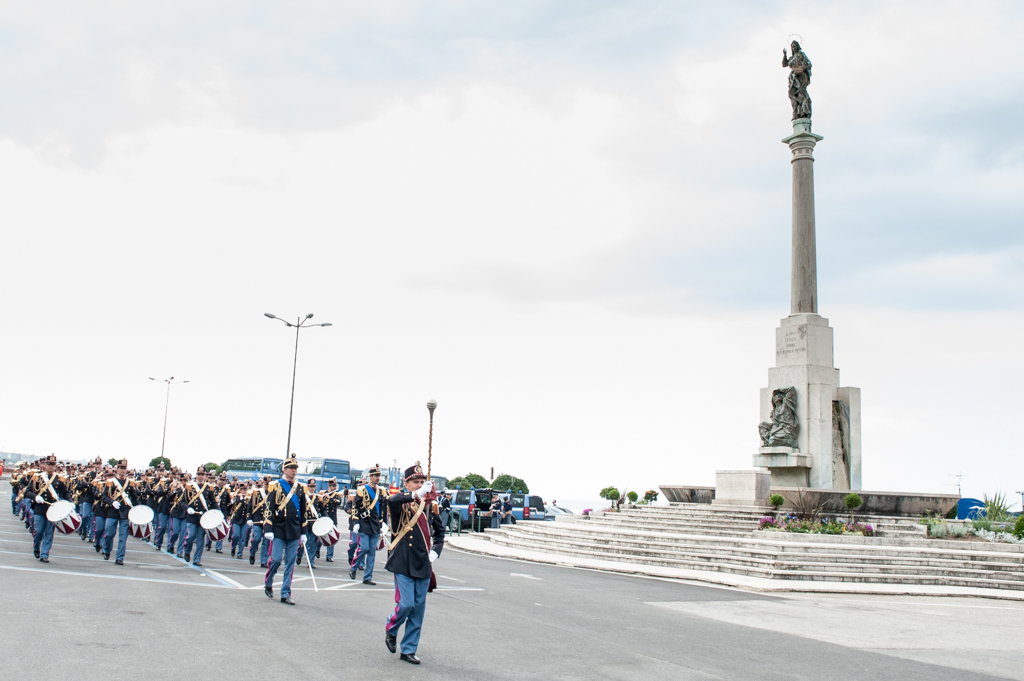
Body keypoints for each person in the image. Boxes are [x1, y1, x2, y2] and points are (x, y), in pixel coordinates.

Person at [384, 462, 445, 665]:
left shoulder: (431, 506)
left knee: (418, 609)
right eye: (415, 482)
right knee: (406, 604)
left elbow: (440, 534)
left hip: (423, 562)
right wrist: (417, 494)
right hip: (402, 561)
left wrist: (435, 552)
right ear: (407, 483)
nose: (419, 485)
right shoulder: (402, 503)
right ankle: (391, 628)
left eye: (422, 482)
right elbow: (393, 500)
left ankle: (409, 649)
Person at [263, 456, 307, 605]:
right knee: (275, 559)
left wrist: (304, 532)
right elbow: (269, 508)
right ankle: (268, 582)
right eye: (291, 468)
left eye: (295, 469)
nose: (294, 471)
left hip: (294, 529)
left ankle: (285, 593)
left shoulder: (300, 488)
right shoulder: (275, 486)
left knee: (290, 562)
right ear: (285, 469)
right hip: (278, 528)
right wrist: (268, 527)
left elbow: (303, 511)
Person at [27, 454, 70, 563]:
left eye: (53, 464)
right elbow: (27, 492)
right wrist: (35, 497)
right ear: (44, 465)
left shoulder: (59, 478)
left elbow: (65, 492)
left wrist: (70, 502)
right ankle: (36, 547)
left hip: (53, 509)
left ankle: (44, 554)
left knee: (49, 532)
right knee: (39, 531)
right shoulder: (37, 477)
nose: (51, 466)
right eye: (49, 464)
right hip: (40, 508)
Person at [350, 464, 388, 585]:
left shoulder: (381, 491)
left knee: (372, 552)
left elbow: (383, 509)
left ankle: (367, 577)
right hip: (364, 523)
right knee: (364, 548)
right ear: (370, 476)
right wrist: (355, 522)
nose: (377, 478)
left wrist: (383, 524)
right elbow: (355, 506)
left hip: (376, 525)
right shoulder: (362, 489)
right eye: (375, 475)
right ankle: (354, 566)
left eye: (378, 475)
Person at [101, 459, 140, 565]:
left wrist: (139, 508)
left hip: (125, 512)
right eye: (121, 468)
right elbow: (104, 495)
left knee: (123, 537)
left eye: (124, 468)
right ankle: (107, 550)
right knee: (109, 534)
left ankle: (120, 557)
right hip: (112, 511)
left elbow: (134, 497)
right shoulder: (110, 482)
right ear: (117, 469)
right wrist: (112, 502)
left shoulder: (130, 483)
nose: (123, 470)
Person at [181, 466, 218, 566]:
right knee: (191, 535)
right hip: (192, 516)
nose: (200, 476)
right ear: (196, 475)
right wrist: (187, 508)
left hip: (203, 517)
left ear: (205, 476)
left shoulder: (209, 487)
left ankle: (197, 559)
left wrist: (218, 513)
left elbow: (213, 502)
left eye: (202, 474)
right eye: (199, 474)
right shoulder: (189, 486)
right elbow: (183, 501)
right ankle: (187, 550)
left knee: (200, 539)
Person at [247, 476, 271, 567]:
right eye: (266, 484)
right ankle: (252, 553)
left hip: (267, 522)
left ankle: (263, 561)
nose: (267, 486)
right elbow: (250, 506)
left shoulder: (273, 494)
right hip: (257, 520)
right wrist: (249, 518)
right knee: (256, 539)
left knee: (266, 543)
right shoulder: (256, 493)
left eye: (269, 484)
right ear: (263, 484)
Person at [320, 478, 343, 562]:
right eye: (332, 486)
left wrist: (329, 498)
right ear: (329, 486)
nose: (334, 487)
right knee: (320, 536)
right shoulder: (323, 493)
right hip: (324, 518)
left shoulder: (336, 495)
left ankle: (329, 555)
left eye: (334, 486)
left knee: (332, 537)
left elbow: (338, 502)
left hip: (332, 518)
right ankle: (317, 550)